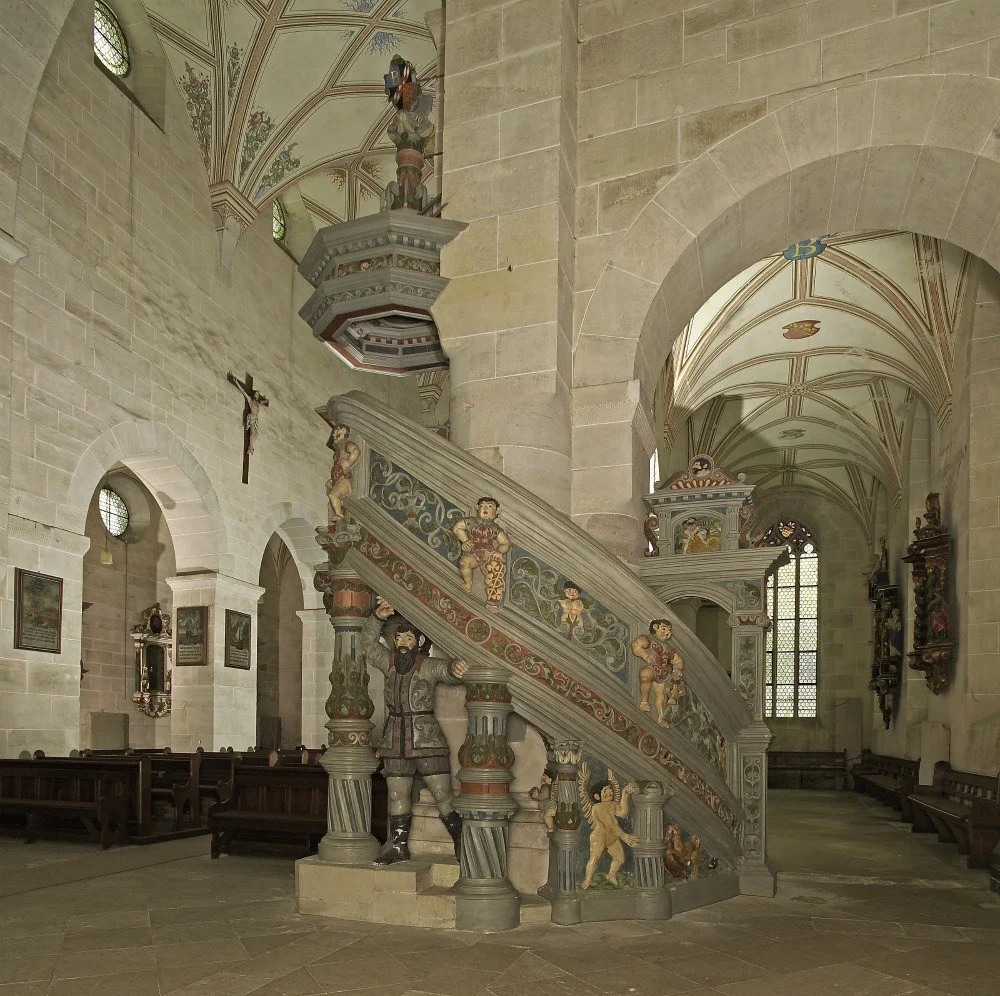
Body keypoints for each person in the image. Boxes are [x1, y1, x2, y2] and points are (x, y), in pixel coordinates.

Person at [360, 596, 468, 865]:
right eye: (398, 639)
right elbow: (367, 645)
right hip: (394, 737)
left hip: (426, 737)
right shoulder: (388, 663)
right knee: (397, 794)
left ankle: (462, 843)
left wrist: (456, 668)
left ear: (419, 642)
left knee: (442, 794)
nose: (402, 644)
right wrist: (377, 618)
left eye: (408, 638)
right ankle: (398, 848)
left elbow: (448, 671)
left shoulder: (428, 666)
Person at [577, 763, 636, 888]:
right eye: (605, 790)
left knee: (620, 859)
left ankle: (611, 875)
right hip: (600, 836)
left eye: (609, 789)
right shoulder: (598, 807)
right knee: (595, 857)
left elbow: (623, 813)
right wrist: (625, 836)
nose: (609, 792)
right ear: (597, 796)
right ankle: (587, 880)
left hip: (612, 837)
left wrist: (625, 795)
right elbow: (610, 825)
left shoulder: (612, 804)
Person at [453, 496, 511, 609]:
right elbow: (457, 528)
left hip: (488, 556)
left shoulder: (495, 528)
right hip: (474, 554)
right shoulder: (471, 521)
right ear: (476, 508)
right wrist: (465, 540)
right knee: (464, 563)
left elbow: (505, 543)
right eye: (482, 506)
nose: (485, 509)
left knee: (494, 575)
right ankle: (468, 582)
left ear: (497, 511)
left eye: (490, 506)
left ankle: (493, 601)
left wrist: (499, 551)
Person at [631, 619, 686, 727]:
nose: (667, 633)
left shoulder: (668, 648)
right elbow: (636, 645)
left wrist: (678, 668)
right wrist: (645, 655)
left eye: (669, 630)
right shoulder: (649, 640)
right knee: (646, 677)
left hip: (663, 673)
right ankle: (644, 701)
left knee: (660, 697)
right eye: (664, 629)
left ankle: (661, 717)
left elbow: (678, 661)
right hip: (651, 667)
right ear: (655, 628)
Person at [326, 424, 360, 521]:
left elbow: (355, 450)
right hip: (338, 479)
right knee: (332, 495)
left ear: (344, 432)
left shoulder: (346, 444)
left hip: (344, 479)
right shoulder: (339, 448)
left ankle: (339, 514)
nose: (333, 435)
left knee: (333, 495)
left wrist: (348, 462)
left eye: (337, 432)